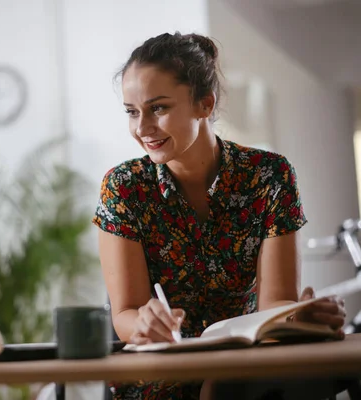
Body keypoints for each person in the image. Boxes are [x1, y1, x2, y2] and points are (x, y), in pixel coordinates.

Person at [92, 32, 347, 400]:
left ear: (205, 104)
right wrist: (144, 324)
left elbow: (276, 303)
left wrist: (298, 318)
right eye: (132, 112)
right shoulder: (123, 187)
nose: (142, 128)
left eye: (158, 108)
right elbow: (126, 313)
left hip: (245, 365)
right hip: (159, 370)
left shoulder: (269, 176)